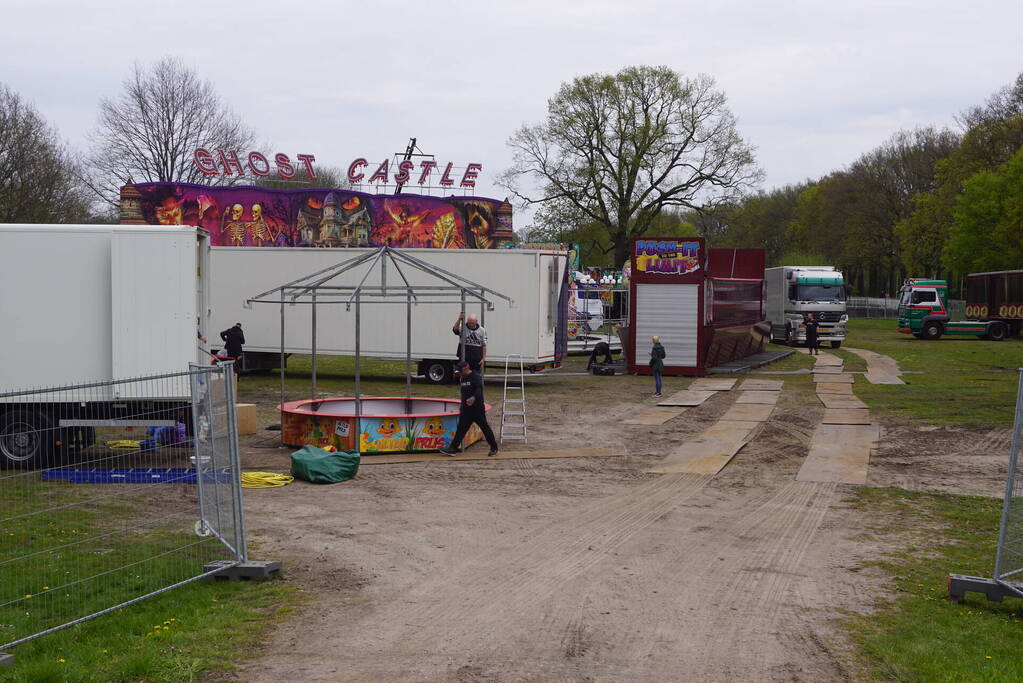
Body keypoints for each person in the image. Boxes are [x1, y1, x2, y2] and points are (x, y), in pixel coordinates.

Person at [440, 361, 499, 457]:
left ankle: (494, 448)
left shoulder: (475, 377)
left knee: (485, 428)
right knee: (461, 429)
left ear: (465, 369)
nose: (459, 373)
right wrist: (463, 405)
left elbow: (479, 389)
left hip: (477, 409)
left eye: (460, 371)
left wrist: (473, 398)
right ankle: (452, 449)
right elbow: (464, 392)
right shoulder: (462, 377)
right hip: (466, 410)